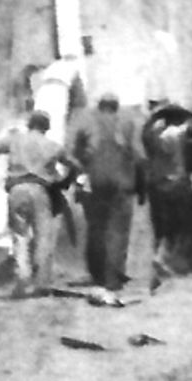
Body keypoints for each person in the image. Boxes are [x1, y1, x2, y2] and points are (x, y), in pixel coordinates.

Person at [72, 91, 141, 291]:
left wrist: (79, 173)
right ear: (116, 106)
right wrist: (141, 184)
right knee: (118, 230)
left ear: (100, 105)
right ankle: (113, 277)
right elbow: (138, 153)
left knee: (96, 228)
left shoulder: (86, 121)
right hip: (122, 182)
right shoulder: (128, 123)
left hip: (95, 182)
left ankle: (97, 274)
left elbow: (73, 151)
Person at [0, 108, 65, 292]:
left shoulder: (14, 140)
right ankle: (40, 282)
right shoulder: (53, 146)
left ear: (29, 124)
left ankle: (22, 276)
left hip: (17, 190)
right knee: (42, 236)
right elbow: (75, 164)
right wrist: (65, 182)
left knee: (20, 236)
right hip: (40, 190)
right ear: (47, 127)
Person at [140, 99, 192, 289]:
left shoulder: (152, 135)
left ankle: (159, 254)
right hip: (178, 182)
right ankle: (172, 260)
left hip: (157, 183)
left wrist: (155, 116)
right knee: (181, 224)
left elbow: (145, 134)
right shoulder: (182, 133)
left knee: (160, 223)